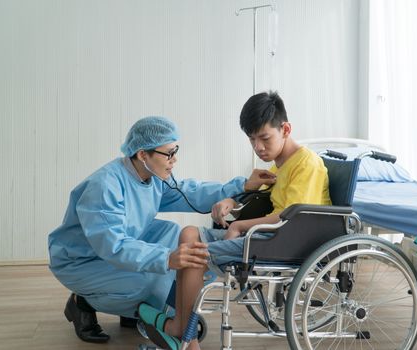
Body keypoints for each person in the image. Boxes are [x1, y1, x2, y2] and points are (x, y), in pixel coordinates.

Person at [48, 116, 276, 343]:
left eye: (175, 151)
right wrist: (166, 258)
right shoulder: (105, 186)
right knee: (147, 282)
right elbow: (113, 246)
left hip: (123, 242)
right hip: (82, 260)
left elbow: (191, 192)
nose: (174, 159)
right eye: (168, 153)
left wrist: (242, 185)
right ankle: (83, 302)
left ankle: (142, 310)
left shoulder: (152, 175)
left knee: (177, 238)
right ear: (142, 154)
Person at [137, 91, 332, 349]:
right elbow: (259, 199)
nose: (258, 147)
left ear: (285, 129)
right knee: (189, 234)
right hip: (267, 235)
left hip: (283, 240)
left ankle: (187, 340)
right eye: (252, 140)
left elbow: (288, 217)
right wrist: (231, 201)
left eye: (264, 138)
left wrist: (239, 225)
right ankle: (180, 327)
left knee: (194, 254)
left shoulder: (306, 164)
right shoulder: (279, 165)